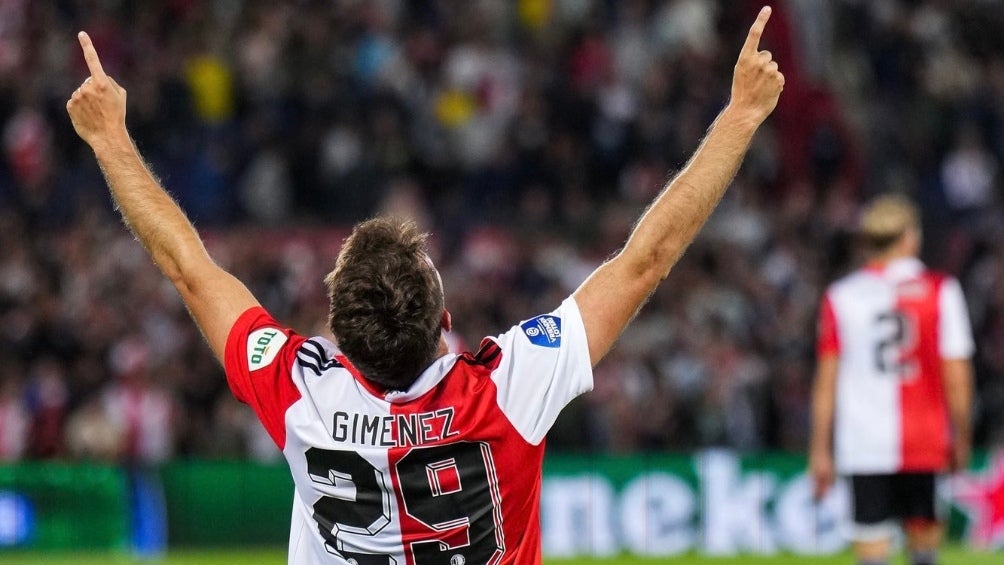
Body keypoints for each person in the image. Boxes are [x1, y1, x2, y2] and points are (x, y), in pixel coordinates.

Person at [66, 7, 783, 564]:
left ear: (336, 337)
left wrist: (110, 140)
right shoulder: (506, 388)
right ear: (446, 321)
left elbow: (187, 266)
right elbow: (645, 259)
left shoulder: (302, 393)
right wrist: (742, 114)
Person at [809, 195, 975, 565]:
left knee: (872, 553)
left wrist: (820, 449)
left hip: (863, 442)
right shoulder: (941, 291)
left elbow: (826, 382)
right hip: (925, 437)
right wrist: (961, 434)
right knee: (924, 552)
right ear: (909, 238)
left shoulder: (842, 296)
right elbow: (957, 376)